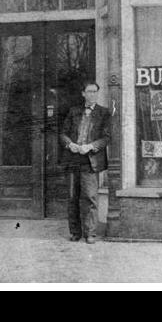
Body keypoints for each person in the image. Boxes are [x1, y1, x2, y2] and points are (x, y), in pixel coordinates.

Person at [59, 81, 111, 244]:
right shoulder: (74, 111)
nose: (92, 94)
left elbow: (107, 137)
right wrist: (70, 144)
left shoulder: (104, 113)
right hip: (73, 160)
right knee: (72, 197)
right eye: (89, 91)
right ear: (83, 93)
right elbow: (63, 134)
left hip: (91, 162)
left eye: (95, 91)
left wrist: (91, 146)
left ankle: (91, 234)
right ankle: (75, 232)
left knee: (90, 197)